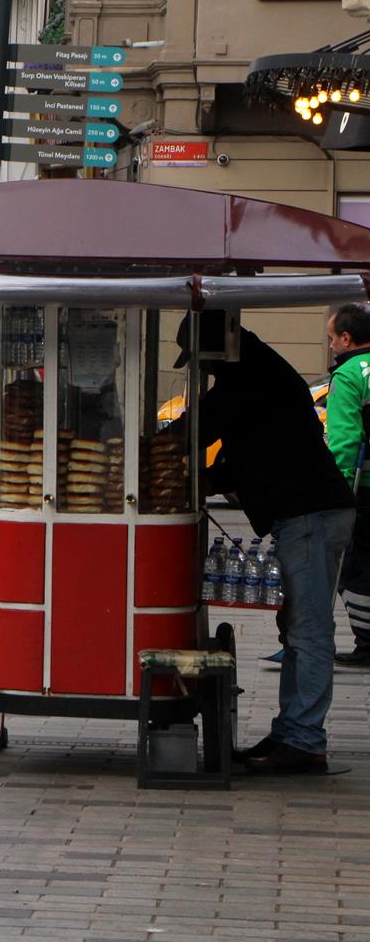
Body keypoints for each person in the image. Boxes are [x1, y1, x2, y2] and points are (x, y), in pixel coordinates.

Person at [182, 318, 354, 774]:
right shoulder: (256, 370)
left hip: (311, 514)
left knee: (309, 630)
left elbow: (200, 426)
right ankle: (290, 732)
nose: (204, 369)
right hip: (307, 514)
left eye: (202, 358)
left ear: (217, 348)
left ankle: (303, 740)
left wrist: (157, 453)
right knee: (296, 627)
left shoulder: (250, 377)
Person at [325, 304, 370, 666]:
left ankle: (367, 641)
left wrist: (334, 487)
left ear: (346, 338)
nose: (330, 347)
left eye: (332, 338)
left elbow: (344, 440)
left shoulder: (348, 375)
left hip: (364, 485)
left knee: (355, 566)